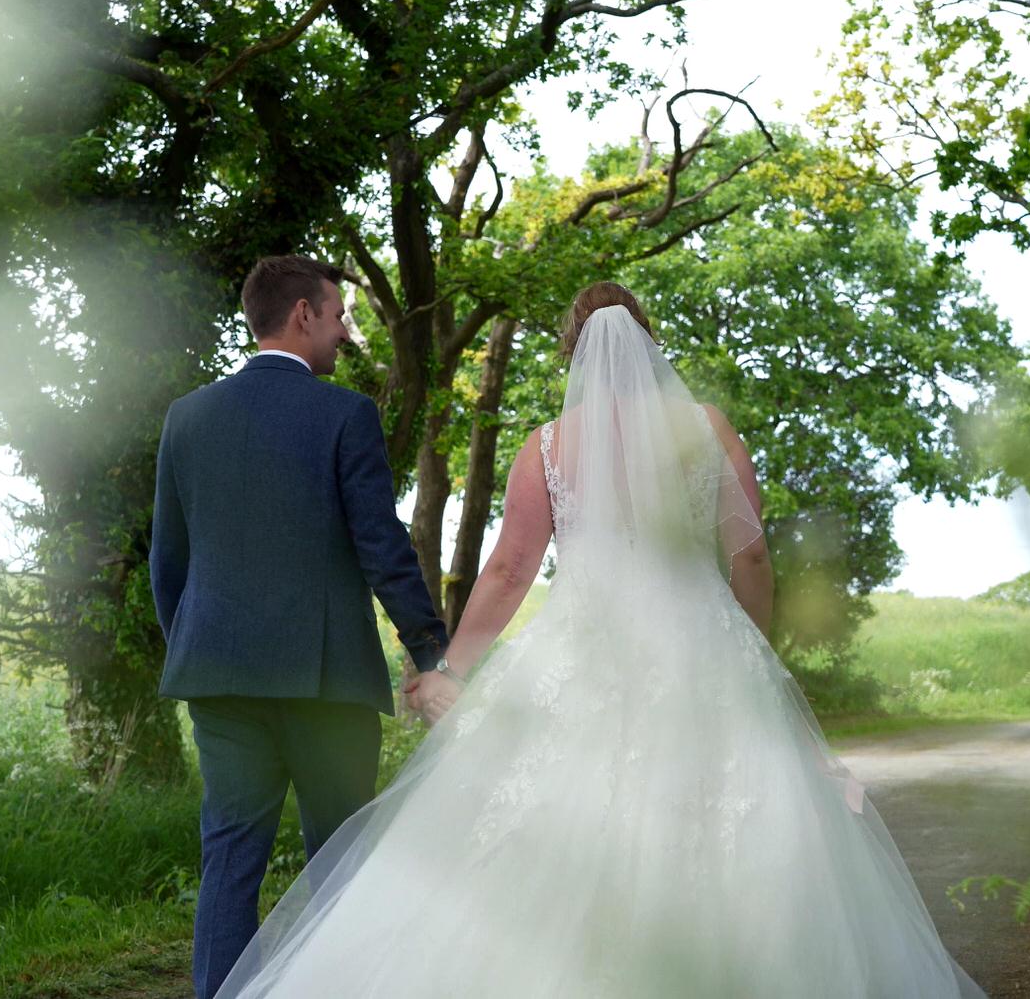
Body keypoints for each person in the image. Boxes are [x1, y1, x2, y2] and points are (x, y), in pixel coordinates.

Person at [213, 282, 985, 998]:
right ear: (646, 342)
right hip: (701, 642)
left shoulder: (547, 445)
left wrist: (452, 665)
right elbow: (748, 552)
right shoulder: (705, 429)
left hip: (583, 647)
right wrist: (753, 646)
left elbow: (512, 568)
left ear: (571, 352)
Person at [150, 254, 452, 999]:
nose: (345, 331)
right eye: (341, 314)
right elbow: (381, 546)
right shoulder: (344, 414)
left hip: (219, 677)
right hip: (327, 682)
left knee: (229, 861)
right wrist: (431, 653)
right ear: (304, 314)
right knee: (341, 865)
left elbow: (169, 560)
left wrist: (200, 650)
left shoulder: (187, 415)